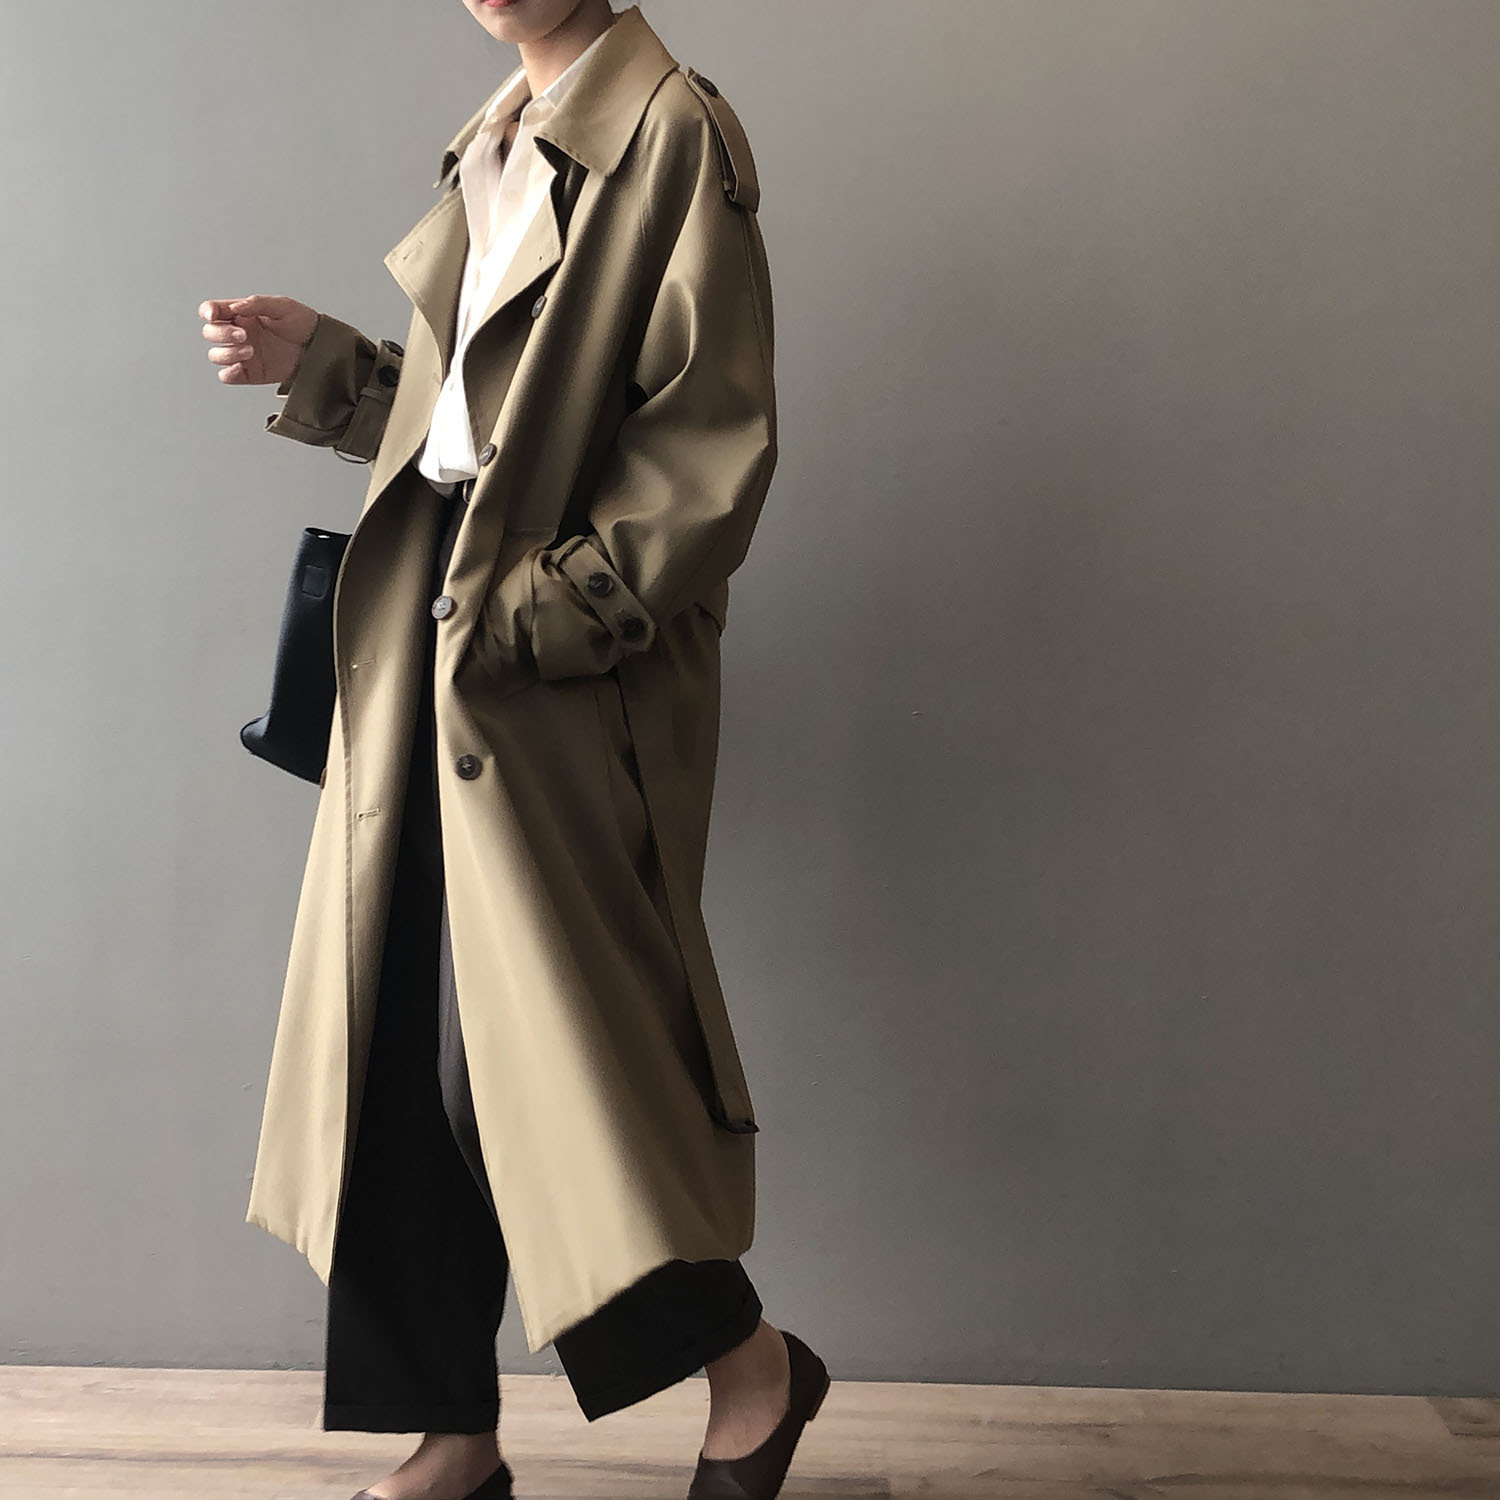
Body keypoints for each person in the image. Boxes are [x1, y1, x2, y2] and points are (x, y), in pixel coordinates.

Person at [197, 4, 827, 1500]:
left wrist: (543, 620)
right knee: (392, 1042)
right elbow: (470, 434)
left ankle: (751, 1370)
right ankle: (455, 1440)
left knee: (544, 1060)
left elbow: (709, 444)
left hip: (539, 676)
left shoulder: (670, 132)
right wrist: (332, 367)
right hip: (427, 650)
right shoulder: (495, 139)